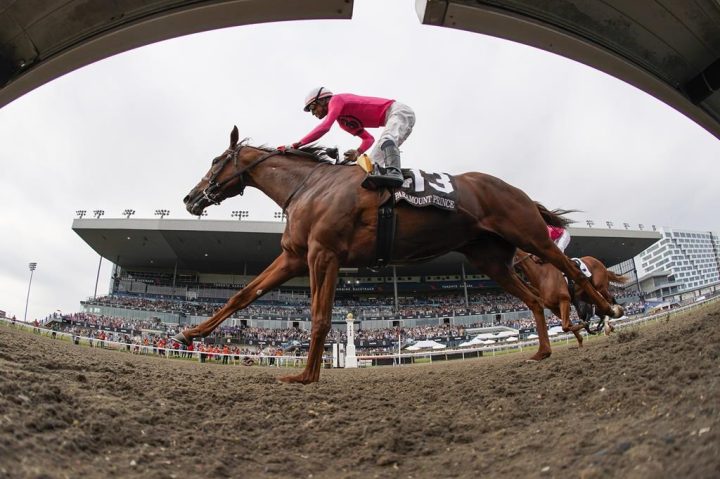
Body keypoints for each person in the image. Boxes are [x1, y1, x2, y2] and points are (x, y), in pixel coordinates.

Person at [279, 87, 416, 188]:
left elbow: (325, 127)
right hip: (391, 118)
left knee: (387, 139)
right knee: (371, 166)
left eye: (313, 108)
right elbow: (368, 139)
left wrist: (295, 145)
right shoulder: (344, 123)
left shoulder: (336, 99)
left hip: (398, 111)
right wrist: (358, 152)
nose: (313, 113)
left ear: (322, 100)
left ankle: (395, 173)